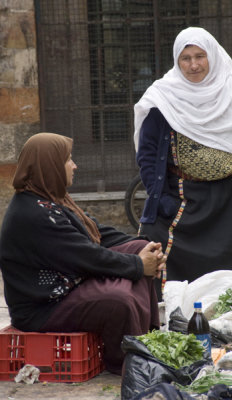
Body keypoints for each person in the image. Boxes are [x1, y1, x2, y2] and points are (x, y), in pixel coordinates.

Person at [134, 27, 232, 301]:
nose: (193, 65)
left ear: (212, 55)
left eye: (200, 56)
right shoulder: (163, 96)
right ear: (177, 60)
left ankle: (226, 327)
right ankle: (172, 319)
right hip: (183, 197)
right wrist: (163, 198)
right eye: (185, 58)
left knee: (228, 278)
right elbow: (148, 153)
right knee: (158, 251)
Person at [0, 132, 167, 375]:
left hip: (69, 285)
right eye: (68, 160)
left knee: (137, 251)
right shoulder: (32, 215)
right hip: (43, 308)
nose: (74, 165)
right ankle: (127, 362)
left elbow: (95, 232)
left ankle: (145, 338)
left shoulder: (51, 197)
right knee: (118, 301)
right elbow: (86, 256)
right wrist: (139, 265)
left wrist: (143, 247)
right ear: (51, 166)